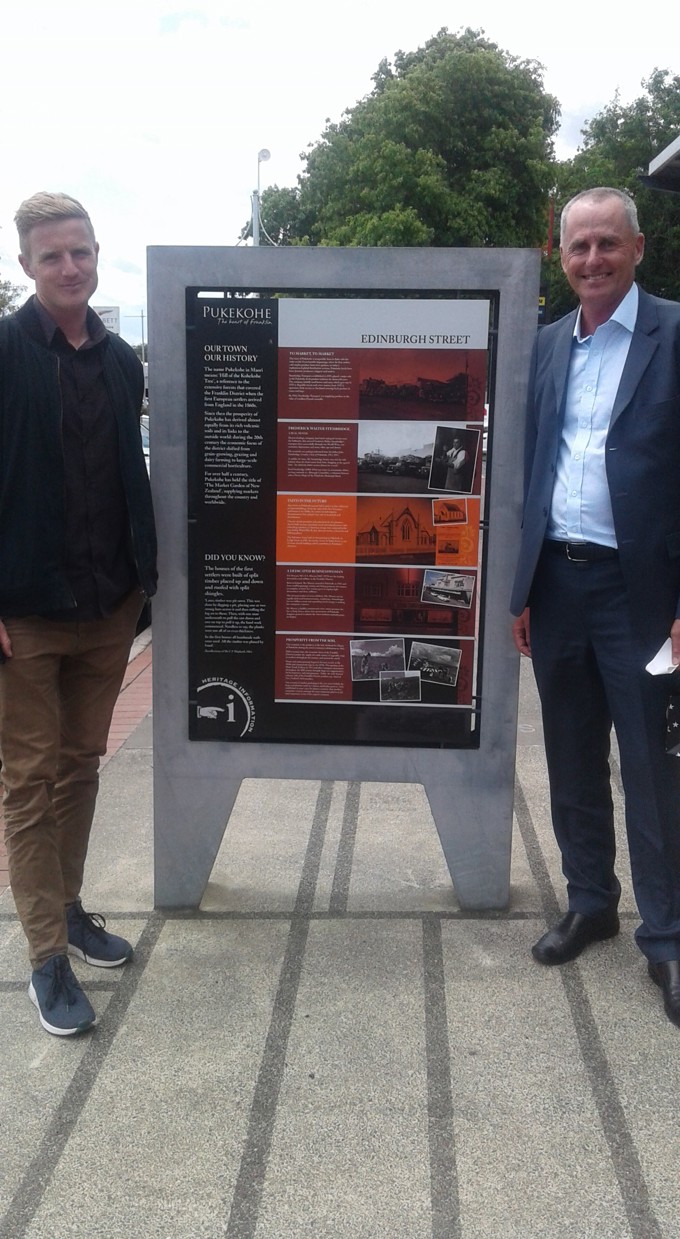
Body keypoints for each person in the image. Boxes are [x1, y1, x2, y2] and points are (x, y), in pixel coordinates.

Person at [510, 187, 680, 1029]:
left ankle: (670, 936)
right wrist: (519, 590)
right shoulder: (548, 346)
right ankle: (589, 900)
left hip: (641, 592)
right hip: (558, 585)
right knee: (571, 754)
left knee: (653, 764)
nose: (592, 260)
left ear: (638, 247)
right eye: (579, 247)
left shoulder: (674, 335)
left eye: (607, 244)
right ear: (562, 255)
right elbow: (534, 470)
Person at [0, 192, 157, 1036]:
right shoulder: (6, 349)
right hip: (24, 610)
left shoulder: (122, 357)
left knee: (82, 764)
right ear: (26, 264)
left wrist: (145, 579)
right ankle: (45, 960)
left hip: (108, 602)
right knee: (27, 783)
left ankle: (69, 907)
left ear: (98, 256)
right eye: (53, 255)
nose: (71, 267)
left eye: (82, 252)